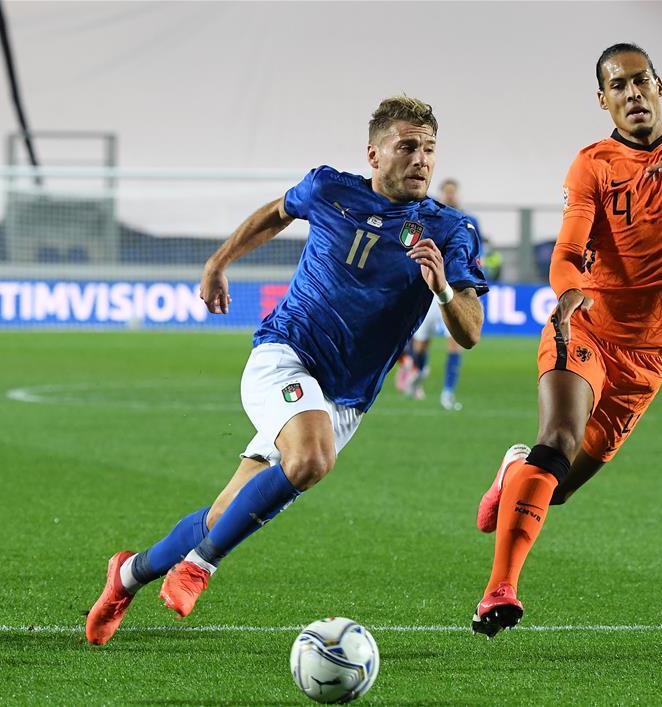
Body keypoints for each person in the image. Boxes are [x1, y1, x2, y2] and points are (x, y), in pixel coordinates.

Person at [85, 95, 488, 645]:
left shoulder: (450, 229)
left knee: (224, 514)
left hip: (345, 397)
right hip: (286, 354)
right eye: (408, 146)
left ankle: (127, 575)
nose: (421, 159)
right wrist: (219, 261)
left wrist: (441, 288)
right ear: (374, 154)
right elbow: (278, 212)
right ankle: (200, 565)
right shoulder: (329, 189)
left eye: (429, 149)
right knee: (312, 458)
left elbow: (470, 331)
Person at [470, 43, 662, 638]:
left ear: (659, 85)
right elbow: (567, 249)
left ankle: (514, 473)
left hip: (648, 356)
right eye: (618, 85)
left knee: (556, 488)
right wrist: (568, 292)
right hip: (586, 327)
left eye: (641, 81)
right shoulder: (592, 165)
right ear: (603, 100)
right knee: (557, 440)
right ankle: (498, 592)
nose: (632, 93)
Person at [396, 179, 481, 410]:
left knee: (455, 343)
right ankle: (418, 373)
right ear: (441, 194)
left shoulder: (469, 222)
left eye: (454, 192)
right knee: (420, 345)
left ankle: (448, 393)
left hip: (454, 290)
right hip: (427, 292)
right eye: (447, 192)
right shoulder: (427, 218)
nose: (450, 196)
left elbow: (476, 255)